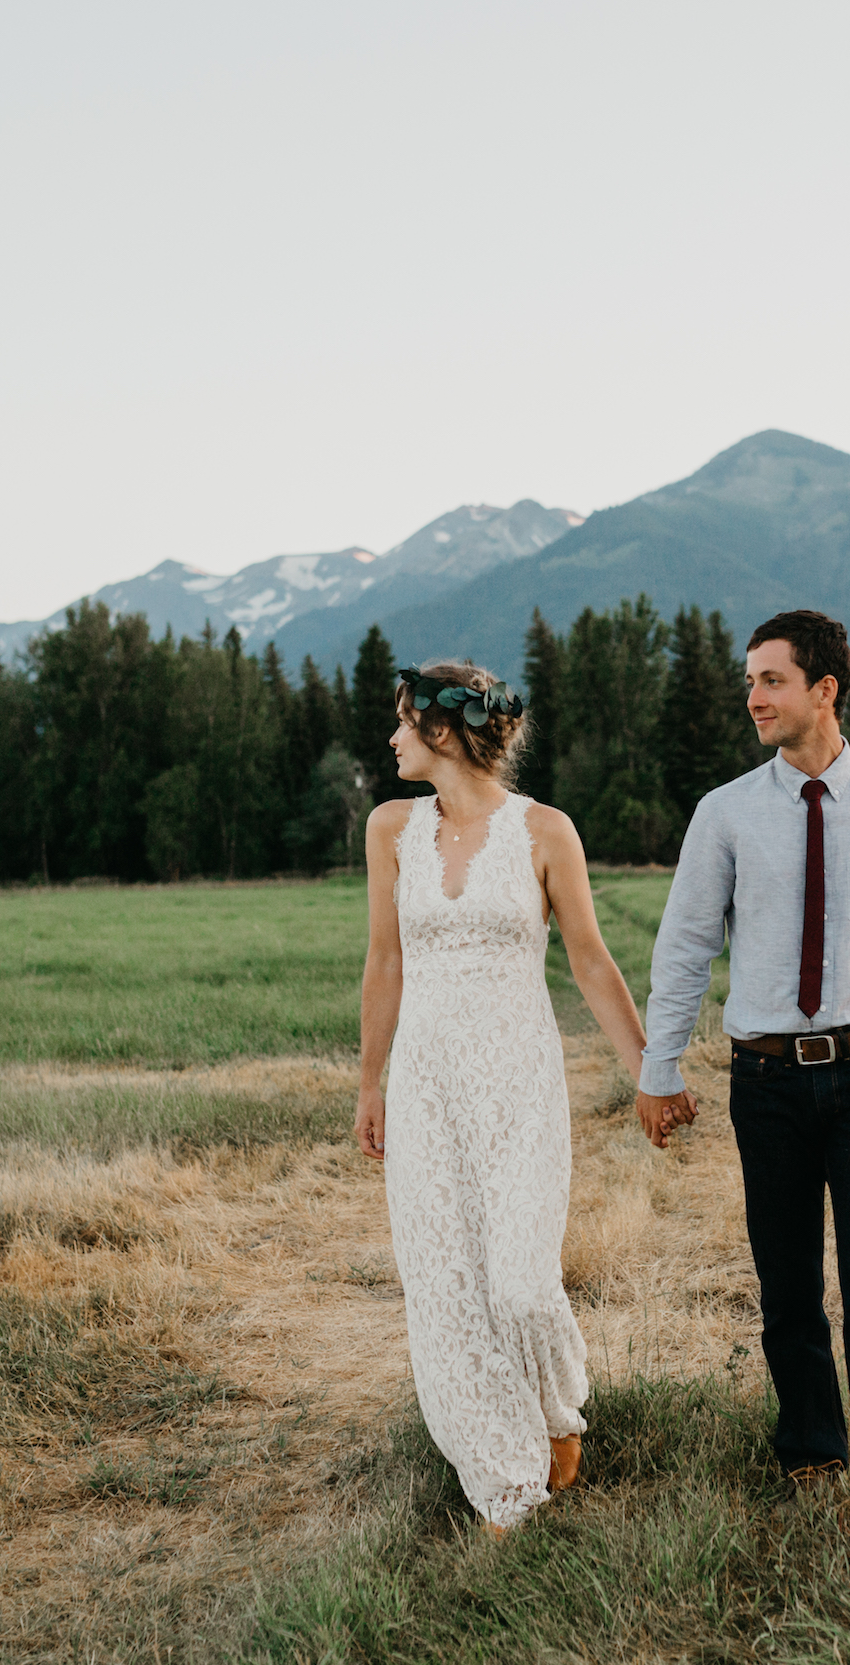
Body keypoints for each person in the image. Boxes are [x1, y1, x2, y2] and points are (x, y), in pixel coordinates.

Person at [635, 609, 850, 1585]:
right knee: (786, 1280)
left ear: (825, 688)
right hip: (767, 1079)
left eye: (771, 679)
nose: (752, 697)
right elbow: (685, 943)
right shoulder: (727, 811)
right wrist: (659, 1067)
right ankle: (809, 1443)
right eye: (750, 680)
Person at [354, 658, 651, 1535]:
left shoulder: (545, 832)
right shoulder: (388, 829)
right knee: (445, 1287)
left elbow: (590, 960)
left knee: (520, 1284)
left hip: (517, 1078)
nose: (394, 736)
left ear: (444, 732)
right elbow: (385, 962)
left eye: (405, 722)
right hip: (426, 1084)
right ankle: (505, 1483)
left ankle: (557, 1409)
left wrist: (649, 1071)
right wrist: (369, 1084)